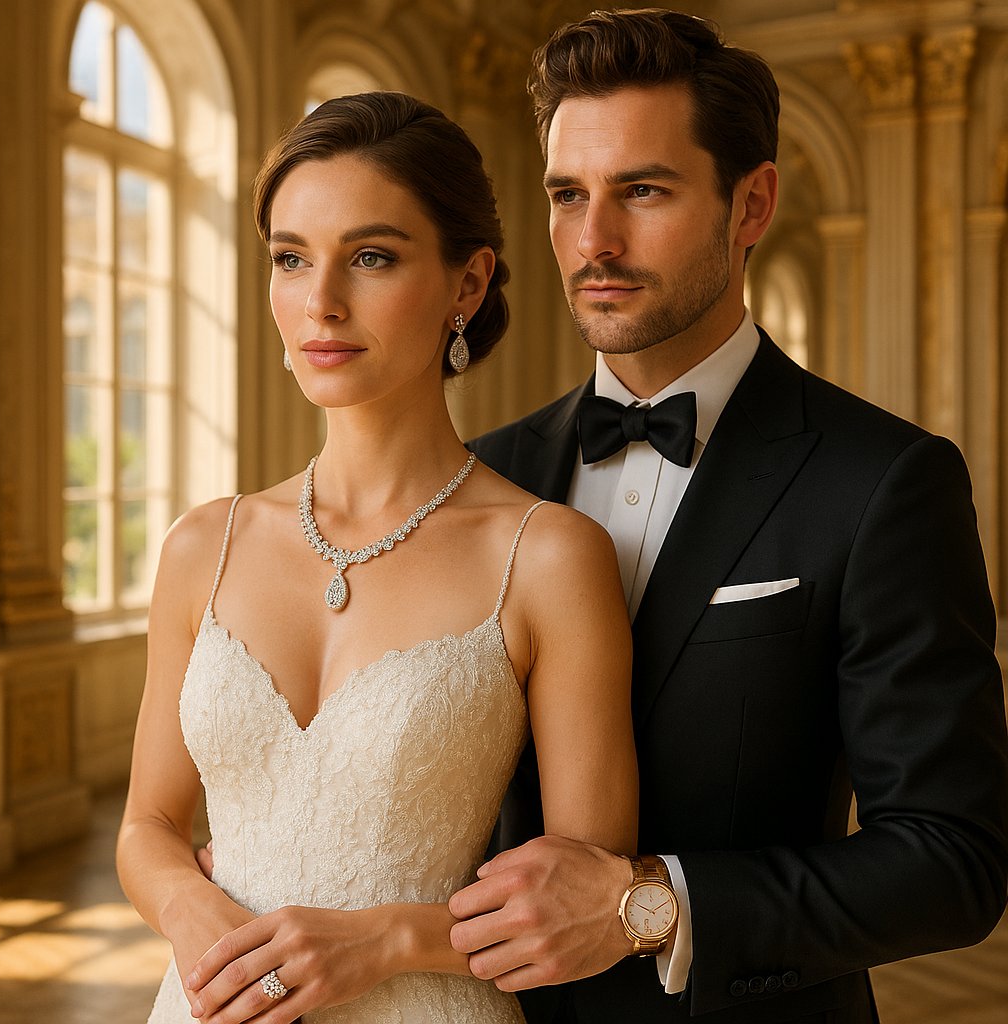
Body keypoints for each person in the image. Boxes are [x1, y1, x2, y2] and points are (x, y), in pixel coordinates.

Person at [448, 9, 1008, 1023]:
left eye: (643, 191)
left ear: (751, 205)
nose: (593, 239)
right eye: (567, 194)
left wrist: (646, 907)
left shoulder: (885, 481)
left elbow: (950, 858)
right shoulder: (482, 474)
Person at [116, 90, 638, 1024]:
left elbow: (580, 900)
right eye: (290, 258)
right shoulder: (205, 546)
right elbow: (147, 828)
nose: (320, 301)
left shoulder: (548, 557)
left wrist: (388, 940)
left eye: (370, 257)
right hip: (211, 1001)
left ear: (467, 285)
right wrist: (188, 907)